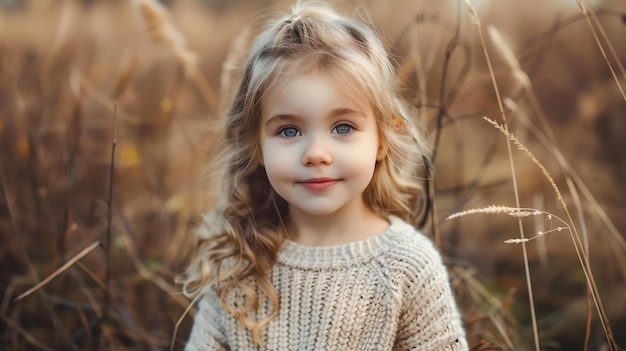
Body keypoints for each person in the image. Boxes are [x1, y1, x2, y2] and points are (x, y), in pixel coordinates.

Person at [180, 2, 467, 350]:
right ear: (256, 146)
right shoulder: (240, 260)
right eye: (288, 131)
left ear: (382, 139)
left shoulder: (407, 265)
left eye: (342, 127)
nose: (316, 153)